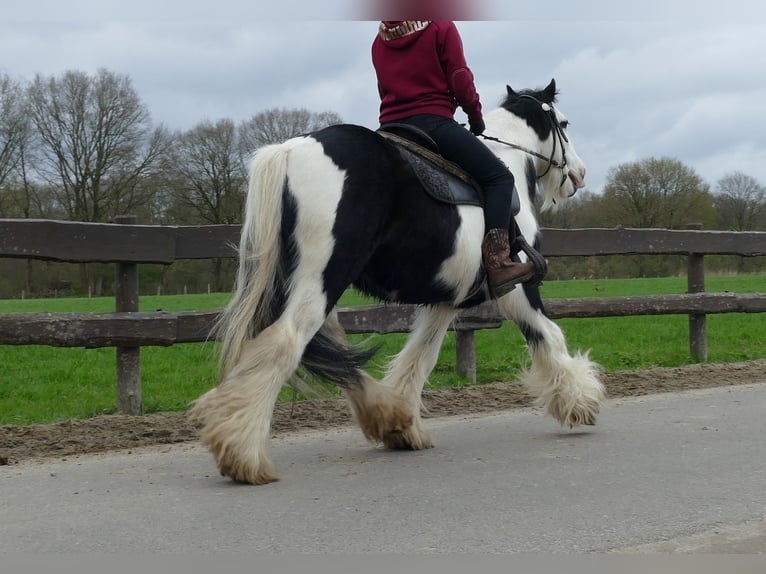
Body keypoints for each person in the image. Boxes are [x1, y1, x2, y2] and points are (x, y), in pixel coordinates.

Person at [372, 20, 539, 297]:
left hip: (391, 129)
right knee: (499, 178)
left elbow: (384, 90)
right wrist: (475, 117)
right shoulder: (440, 27)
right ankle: (499, 264)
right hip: (433, 123)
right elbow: (460, 78)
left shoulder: (379, 41)